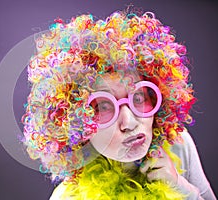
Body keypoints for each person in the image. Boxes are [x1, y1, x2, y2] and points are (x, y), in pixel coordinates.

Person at [22, 10, 216, 199]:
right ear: (76, 125)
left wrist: (180, 187)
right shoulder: (70, 197)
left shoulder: (178, 145)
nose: (129, 123)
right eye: (104, 107)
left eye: (138, 98)